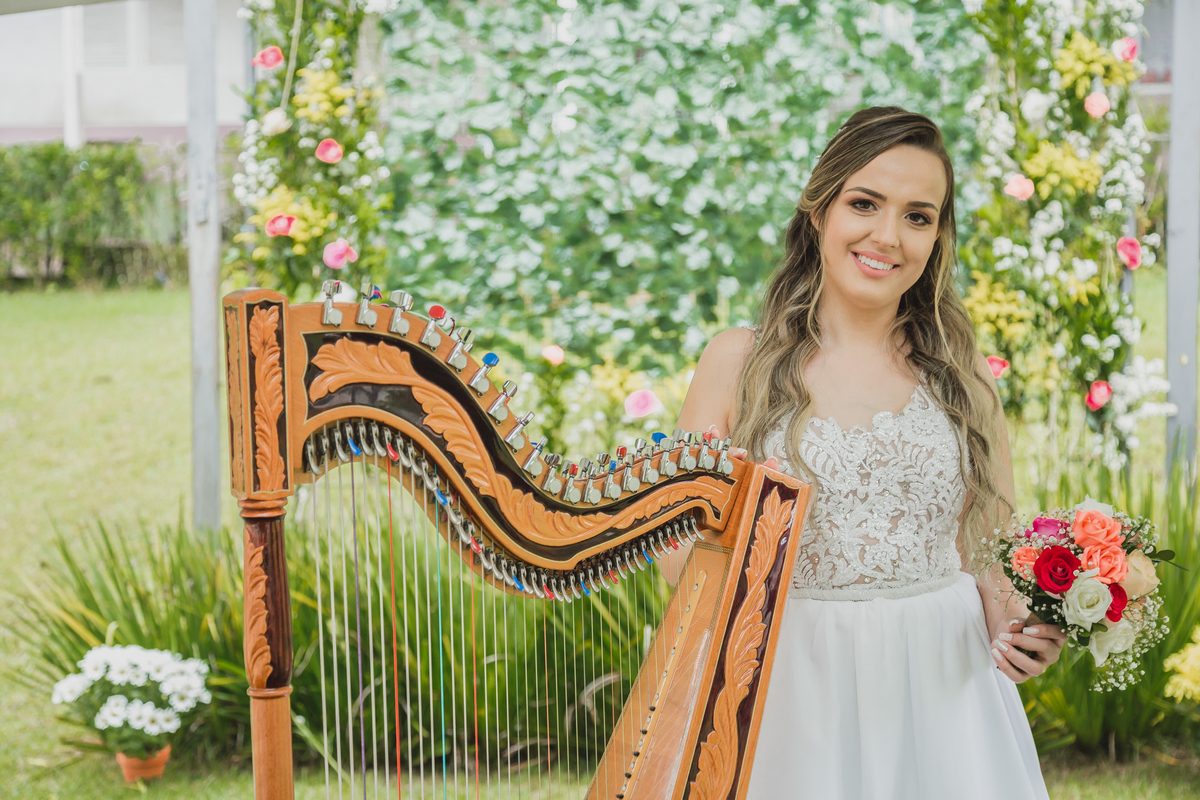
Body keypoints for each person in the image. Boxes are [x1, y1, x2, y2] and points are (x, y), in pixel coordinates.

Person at [662, 106, 1064, 799]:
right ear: (819, 212)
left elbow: (991, 551)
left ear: (937, 237)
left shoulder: (965, 381)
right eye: (865, 204)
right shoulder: (737, 362)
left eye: (917, 216)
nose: (888, 236)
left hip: (941, 683)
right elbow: (679, 561)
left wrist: (1024, 630)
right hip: (784, 681)